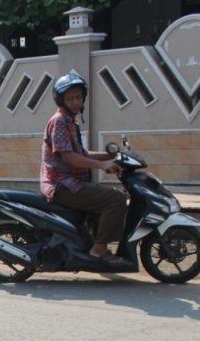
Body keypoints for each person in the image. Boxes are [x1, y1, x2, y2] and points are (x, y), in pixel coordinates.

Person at [41, 70, 127, 265]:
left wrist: (111, 155)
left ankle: (96, 244)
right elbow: (69, 157)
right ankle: (99, 250)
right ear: (61, 99)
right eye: (70, 98)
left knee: (104, 199)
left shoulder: (70, 121)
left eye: (78, 97)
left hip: (71, 183)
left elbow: (82, 153)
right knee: (115, 199)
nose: (75, 102)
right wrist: (102, 165)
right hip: (61, 184)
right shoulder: (59, 122)